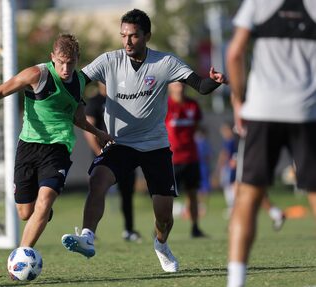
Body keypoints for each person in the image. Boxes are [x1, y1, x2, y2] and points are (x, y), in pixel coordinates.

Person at [61, 9, 227, 273]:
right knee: (98, 180)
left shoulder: (165, 63)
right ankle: (87, 238)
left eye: (134, 36)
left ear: (147, 36)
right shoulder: (109, 61)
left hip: (155, 145)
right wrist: (63, 86)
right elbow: (75, 81)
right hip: (120, 143)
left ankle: (161, 245)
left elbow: (200, 85)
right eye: (123, 35)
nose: (127, 41)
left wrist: (215, 81)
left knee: (164, 216)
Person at [0, 34, 112, 249]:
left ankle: (22, 254)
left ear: (77, 59)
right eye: (61, 62)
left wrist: (99, 133)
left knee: (45, 199)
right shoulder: (37, 75)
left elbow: (78, 118)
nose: (66, 68)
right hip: (29, 146)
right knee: (24, 212)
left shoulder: (78, 82)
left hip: (58, 148)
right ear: (52, 57)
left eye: (71, 63)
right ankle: (42, 211)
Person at [226, 1, 316, 286]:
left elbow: (235, 53)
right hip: (307, 111)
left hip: (262, 110)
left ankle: (236, 280)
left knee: (248, 197)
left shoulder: (258, 2)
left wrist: (239, 100)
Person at [83, 82, 141, 242]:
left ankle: (129, 230)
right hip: (103, 156)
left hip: (124, 154)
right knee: (97, 192)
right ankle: (89, 232)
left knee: (127, 194)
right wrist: (99, 153)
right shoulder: (95, 101)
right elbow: (88, 131)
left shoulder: (122, 100)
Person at [216, 122, 285, 229]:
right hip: (244, 168)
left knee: (252, 194)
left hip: (248, 168)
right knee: (245, 195)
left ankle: (275, 214)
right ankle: (275, 214)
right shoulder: (238, 136)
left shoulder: (244, 133)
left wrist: (236, 160)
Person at [164, 82, 206, 238]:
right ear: (170, 86)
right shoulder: (165, 105)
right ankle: (160, 228)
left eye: (182, 83)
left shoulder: (193, 105)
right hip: (172, 158)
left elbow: (196, 127)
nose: (180, 87)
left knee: (193, 194)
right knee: (165, 196)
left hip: (191, 157)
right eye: (176, 84)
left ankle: (195, 227)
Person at [194, 126, 212, 216]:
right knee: (200, 188)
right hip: (200, 167)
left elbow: (207, 156)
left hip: (201, 167)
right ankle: (201, 206)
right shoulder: (200, 143)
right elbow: (208, 156)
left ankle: (202, 207)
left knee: (202, 188)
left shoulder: (201, 143)